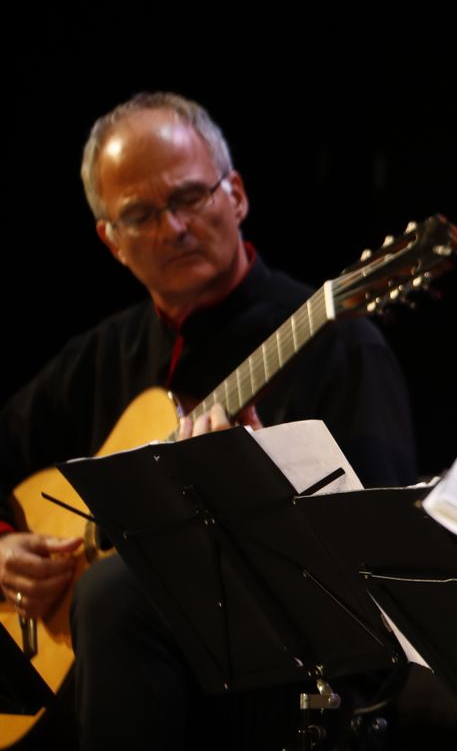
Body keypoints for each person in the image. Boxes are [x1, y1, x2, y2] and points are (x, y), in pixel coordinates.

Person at [0, 92, 417, 750]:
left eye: (189, 198)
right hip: (103, 677)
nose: (173, 228)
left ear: (238, 196)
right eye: (140, 214)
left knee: (115, 592)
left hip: (281, 682)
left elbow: (387, 558)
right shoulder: (98, 359)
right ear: (110, 241)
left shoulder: (338, 344)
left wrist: (252, 491)